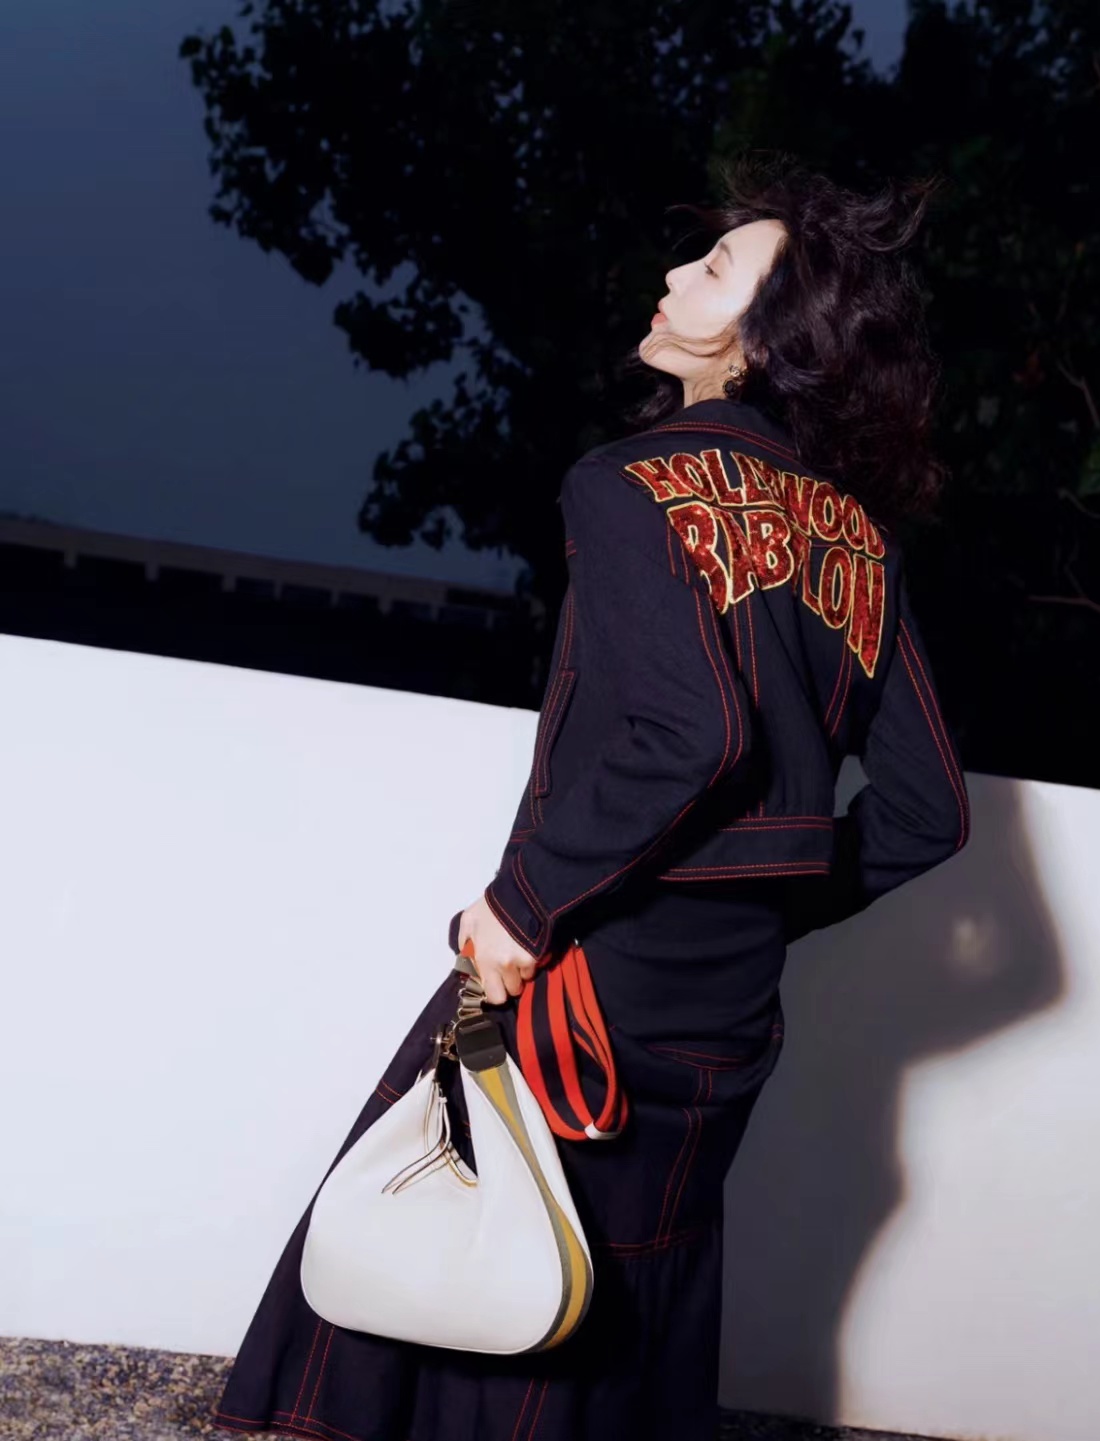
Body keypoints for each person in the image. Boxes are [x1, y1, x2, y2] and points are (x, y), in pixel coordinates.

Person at [211, 152, 971, 1441]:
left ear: (764, 342)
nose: (675, 272)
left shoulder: (624, 484)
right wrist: (768, 888)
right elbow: (926, 814)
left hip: (595, 968)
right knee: (614, 1288)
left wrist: (521, 906)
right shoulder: (860, 538)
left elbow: (698, 735)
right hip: (730, 1004)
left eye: (714, 268)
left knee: (478, 1254)